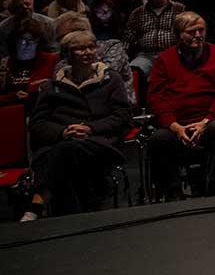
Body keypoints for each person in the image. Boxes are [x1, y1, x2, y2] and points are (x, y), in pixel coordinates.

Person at [20, 30, 133, 220]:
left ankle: (37, 203)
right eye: (79, 49)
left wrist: (91, 128)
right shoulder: (52, 86)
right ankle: (74, 218)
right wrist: (63, 131)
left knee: (65, 152)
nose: (87, 52)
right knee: (65, 154)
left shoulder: (111, 80)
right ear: (67, 54)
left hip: (99, 142)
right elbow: (37, 123)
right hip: (60, 142)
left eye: (90, 47)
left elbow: (123, 116)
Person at [145, 12, 215, 199]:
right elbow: (156, 97)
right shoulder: (164, 60)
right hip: (178, 124)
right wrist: (174, 126)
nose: (198, 35)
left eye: (201, 30)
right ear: (178, 35)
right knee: (158, 139)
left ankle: (214, 184)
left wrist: (206, 121)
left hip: (212, 118)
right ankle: (173, 192)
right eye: (191, 32)